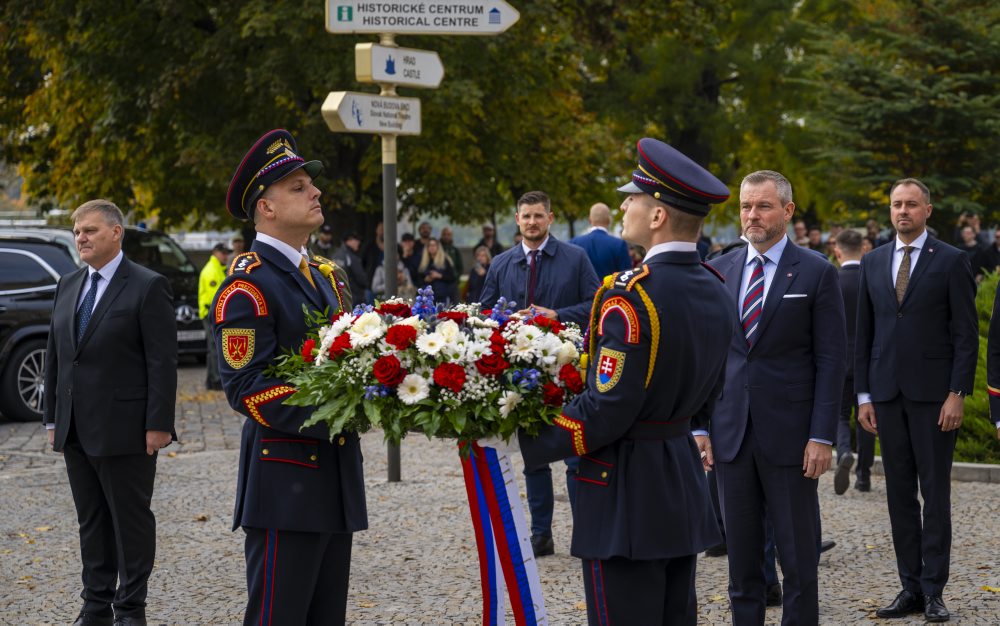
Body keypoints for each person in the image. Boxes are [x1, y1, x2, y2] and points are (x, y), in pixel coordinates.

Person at [515, 138, 734, 624]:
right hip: (677, 477)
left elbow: (606, 408)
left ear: (657, 216)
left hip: (624, 490)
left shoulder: (628, 297)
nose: (623, 206)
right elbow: (710, 394)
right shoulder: (717, 288)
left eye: (632, 197)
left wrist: (520, 437)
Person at [214, 129, 366, 625]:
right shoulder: (247, 286)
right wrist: (339, 410)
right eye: (299, 187)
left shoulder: (327, 276)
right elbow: (246, 388)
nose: (316, 192)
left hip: (333, 476)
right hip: (286, 482)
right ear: (267, 207)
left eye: (311, 184)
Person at [701, 170, 846, 626]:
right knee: (742, 564)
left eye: (763, 206)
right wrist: (700, 426)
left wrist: (822, 436)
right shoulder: (719, 269)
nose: (752, 215)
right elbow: (708, 357)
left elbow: (831, 361)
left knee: (799, 560)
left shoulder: (818, 272)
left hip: (792, 439)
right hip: (731, 436)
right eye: (745, 206)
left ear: (787, 210)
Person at [43, 199, 177, 626]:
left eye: (90, 230)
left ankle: (131, 609)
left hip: (126, 429)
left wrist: (158, 424)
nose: (81, 237)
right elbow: (56, 355)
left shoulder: (147, 285)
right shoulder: (68, 284)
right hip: (75, 428)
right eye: (78, 231)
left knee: (130, 523)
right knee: (91, 522)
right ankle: (95, 606)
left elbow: (162, 361)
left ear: (116, 233)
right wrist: (52, 419)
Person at [855, 178, 977, 623]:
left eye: (911, 204)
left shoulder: (952, 260)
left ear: (928, 209)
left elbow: (966, 335)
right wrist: (863, 394)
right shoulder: (872, 262)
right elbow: (863, 334)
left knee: (935, 495)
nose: (902, 211)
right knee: (899, 496)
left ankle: (934, 590)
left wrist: (957, 393)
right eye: (896, 205)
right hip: (886, 395)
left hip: (934, 398)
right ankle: (908, 586)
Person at [479, 190, 600, 557]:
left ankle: (585, 533)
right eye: (526, 216)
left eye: (538, 216)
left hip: (567, 369)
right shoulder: (501, 263)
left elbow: (597, 305)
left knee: (575, 453)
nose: (532, 222)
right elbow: (483, 313)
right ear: (517, 220)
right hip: (522, 372)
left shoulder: (576, 258)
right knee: (533, 454)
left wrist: (556, 315)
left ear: (550, 218)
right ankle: (540, 533)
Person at [831, 229, 874, 493]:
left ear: (837, 252)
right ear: (864, 249)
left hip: (838, 358)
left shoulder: (832, 280)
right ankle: (864, 476)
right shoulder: (871, 280)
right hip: (867, 359)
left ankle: (844, 452)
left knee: (839, 414)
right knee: (868, 416)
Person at [569, 202, 632, 279]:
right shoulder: (619, 244)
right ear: (609, 220)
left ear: (589, 220)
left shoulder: (573, 243)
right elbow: (626, 277)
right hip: (611, 290)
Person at [199, 242, 231, 391]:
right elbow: (215, 297)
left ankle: (211, 380)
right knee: (214, 348)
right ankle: (216, 380)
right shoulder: (212, 270)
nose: (226, 256)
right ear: (215, 252)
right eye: (223, 253)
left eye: (226, 253)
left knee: (213, 347)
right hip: (212, 314)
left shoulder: (219, 268)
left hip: (214, 313)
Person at [417, 237, 457, 305]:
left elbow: (452, 277)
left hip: (442, 295)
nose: (432, 247)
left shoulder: (445, 260)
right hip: (426, 297)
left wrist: (439, 276)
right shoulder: (423, 261)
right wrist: (426, 279)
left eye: (434, 245)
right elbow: (418, 279)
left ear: (438, 247)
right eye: (429, 245)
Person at [331, 231, 369, 303]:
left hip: (337, 297)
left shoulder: (335, 255)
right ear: (349, 240)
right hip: (353, 298)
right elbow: (362, 279)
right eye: (357, 240)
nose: (359, 243)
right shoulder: (351, 257)